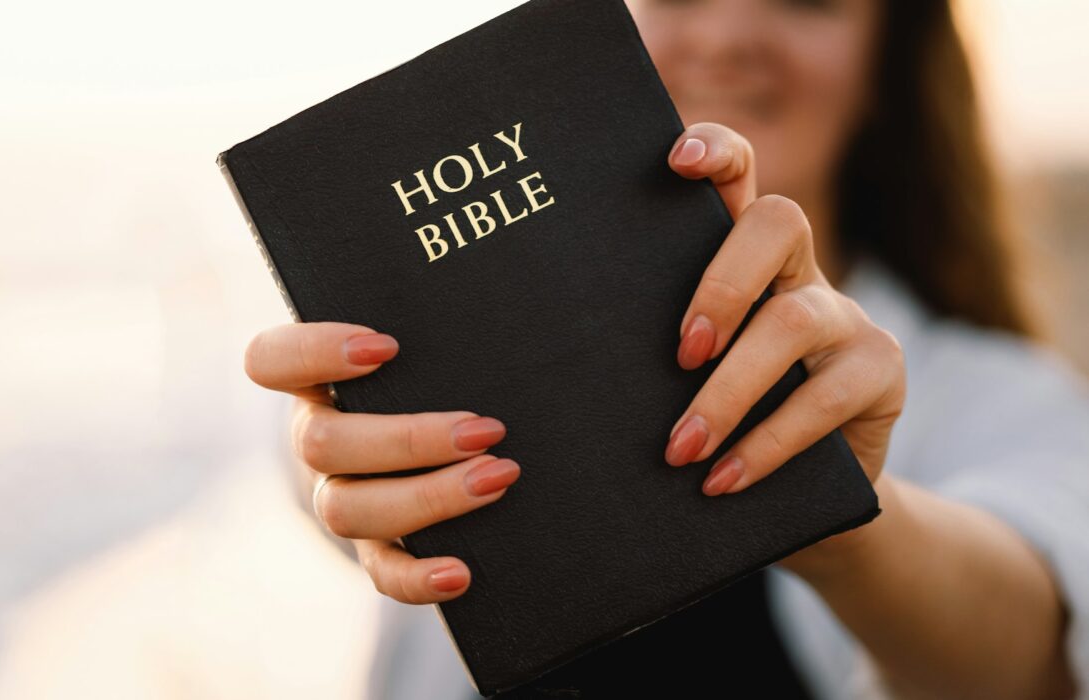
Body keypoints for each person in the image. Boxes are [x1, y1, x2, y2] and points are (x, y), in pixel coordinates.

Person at [243, 0, 1089, 697]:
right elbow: (328, 488)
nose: (725, 35)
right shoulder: (475, 326)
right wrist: (337, 449)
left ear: (888, 67)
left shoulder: (1009, 395)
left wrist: (837, 507)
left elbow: (1029, 663)